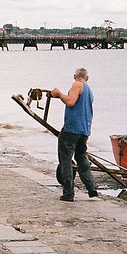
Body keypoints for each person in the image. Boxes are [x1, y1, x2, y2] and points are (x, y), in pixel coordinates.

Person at [50, 67, 98, 202]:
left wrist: (59, 94)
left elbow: (71, 102)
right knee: (81, 157)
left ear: (74, 76)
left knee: (65, 160)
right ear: (87, 78)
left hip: (71, 129)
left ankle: (68, 193)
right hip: (84, 130)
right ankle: (91, 187)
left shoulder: (77, 84)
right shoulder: (89, 90)